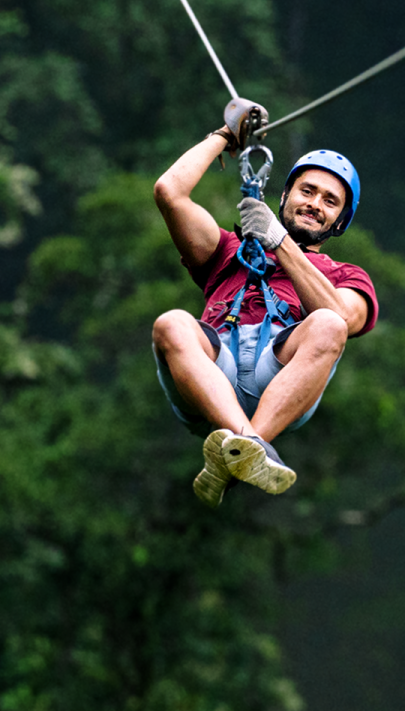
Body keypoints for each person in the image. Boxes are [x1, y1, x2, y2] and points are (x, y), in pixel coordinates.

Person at [151, 102, 378, 506]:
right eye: (307, 191)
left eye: (330, 201)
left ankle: (242, 444)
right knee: (170, 323)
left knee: (328, 324)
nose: (314, 203)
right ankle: (251, 445)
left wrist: (279, 242)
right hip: (212, 372)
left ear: (340, 222)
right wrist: (225, 136)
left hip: (281, 378)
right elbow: (170, 193)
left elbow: (343, 318)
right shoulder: (227, 250)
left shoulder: (347, 276)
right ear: (285, 194)